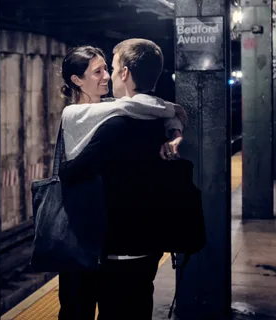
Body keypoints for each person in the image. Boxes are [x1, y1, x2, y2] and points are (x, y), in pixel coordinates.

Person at [56, 43, 186, 320]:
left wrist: (174, 126)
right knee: (78, 307)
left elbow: (149, 108)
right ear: (76, 81)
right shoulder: (78, 118)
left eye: (108, 69)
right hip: (82, 232)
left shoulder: (118, 112)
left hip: (108, 236)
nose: (105, 76)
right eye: (97, 71)